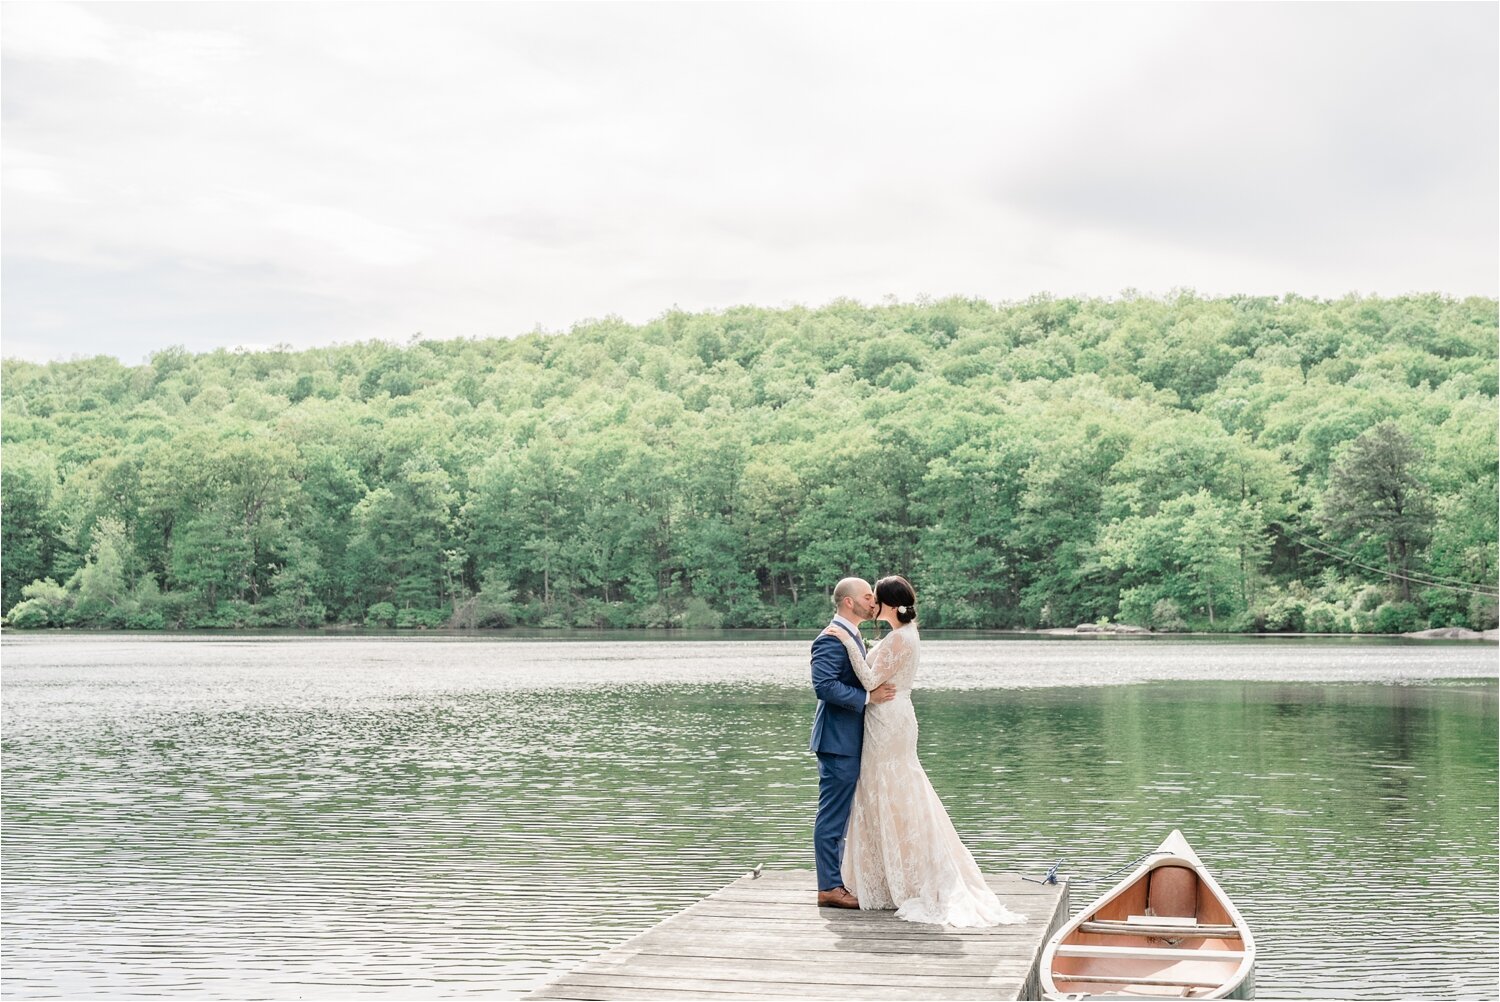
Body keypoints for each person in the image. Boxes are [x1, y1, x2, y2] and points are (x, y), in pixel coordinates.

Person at [828, 575, 1027, 928]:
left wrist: (846, 639)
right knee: (890, 789)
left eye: (875, 597)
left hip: (888, 719)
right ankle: (889, 874)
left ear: (887, 604)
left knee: (889, 788)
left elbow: (870, 681)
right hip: (891, 718)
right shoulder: (905, 635)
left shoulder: (898, 639)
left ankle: (901, 877)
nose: (871, 603)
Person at [809, 577, 897, 908]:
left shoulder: (852, 636)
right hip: (837, 741)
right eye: (867, 597)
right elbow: (824, 686)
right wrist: (868, 698)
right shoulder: (830, 640)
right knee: (832, 815)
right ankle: (829, 887)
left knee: (842, 815)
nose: (873, 602)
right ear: (849, 602)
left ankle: (838, 879)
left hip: (851, 740)